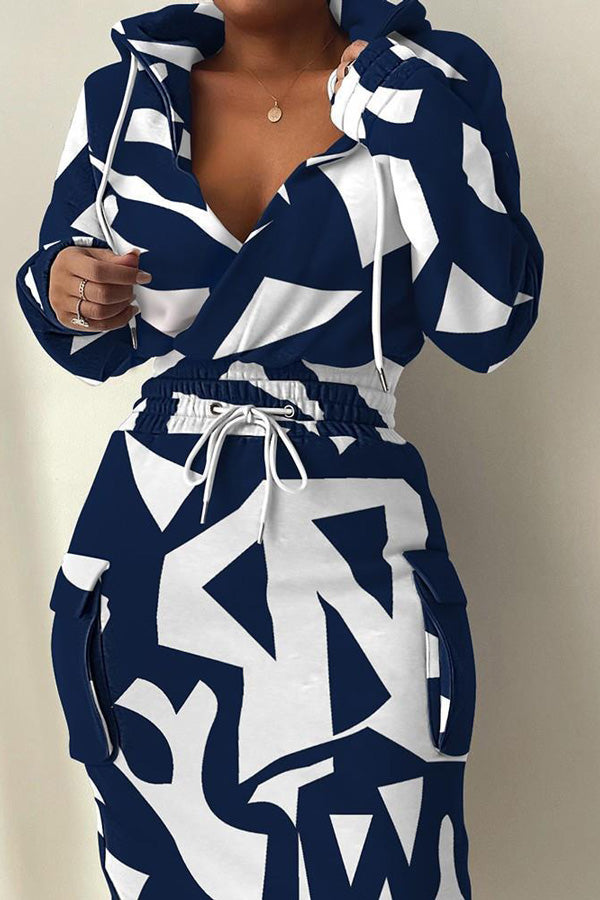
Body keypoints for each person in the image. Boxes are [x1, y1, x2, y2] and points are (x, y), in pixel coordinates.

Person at [15, 1, 543, 896]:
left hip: (353, 563)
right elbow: (77, 321)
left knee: (382, 866)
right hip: (158, 555)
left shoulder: (431, 76)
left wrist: (395, 98)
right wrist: (64, 285)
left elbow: (488, 320)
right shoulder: (126, 92)